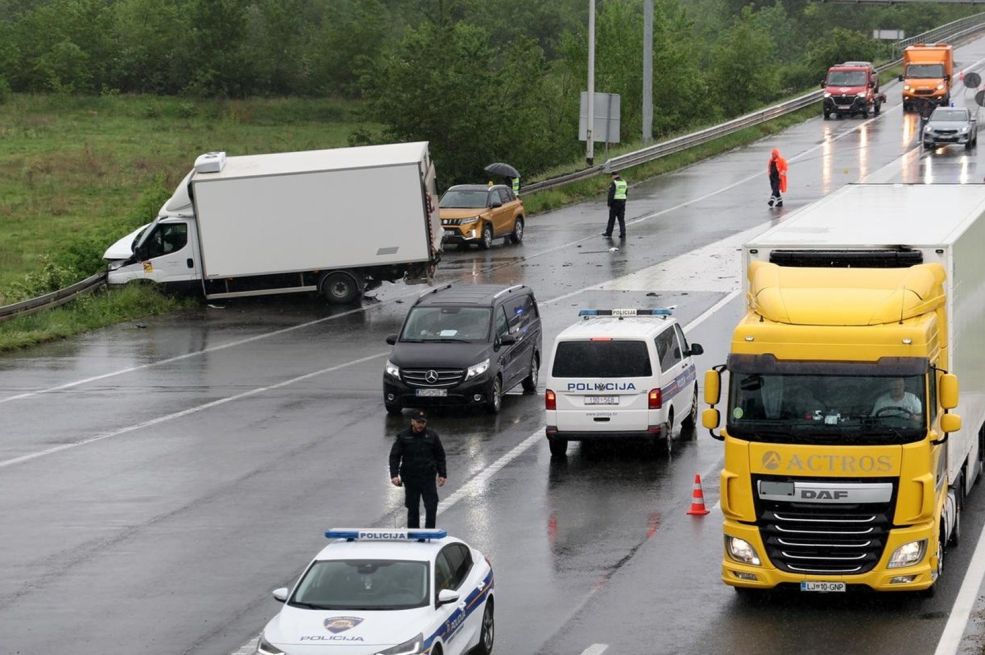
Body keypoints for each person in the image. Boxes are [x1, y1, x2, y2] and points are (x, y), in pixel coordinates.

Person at [389, 410, 447, 529]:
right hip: (411, 478)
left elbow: (440, 456)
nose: (420, 425)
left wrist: (442, 474)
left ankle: (430, 534)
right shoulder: (403, 436)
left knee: (431, 506)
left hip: (427, 478)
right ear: (412, 422)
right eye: (418, 422)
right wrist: (394, 475)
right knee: (412, 508)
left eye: (423, 422)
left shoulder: (432, 436)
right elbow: (394, 456)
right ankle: (414, 536)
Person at [603, 171, 628, 238]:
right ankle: (623, 233)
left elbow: (611, 194)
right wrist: (624, 200)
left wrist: (609, 204)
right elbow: (626, 192)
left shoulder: (614, 183)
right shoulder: (624, 182)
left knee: (612, 219)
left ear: (613, 176)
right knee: (621, 219)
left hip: (615, 203)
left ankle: (608, 233)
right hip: (622, 202)